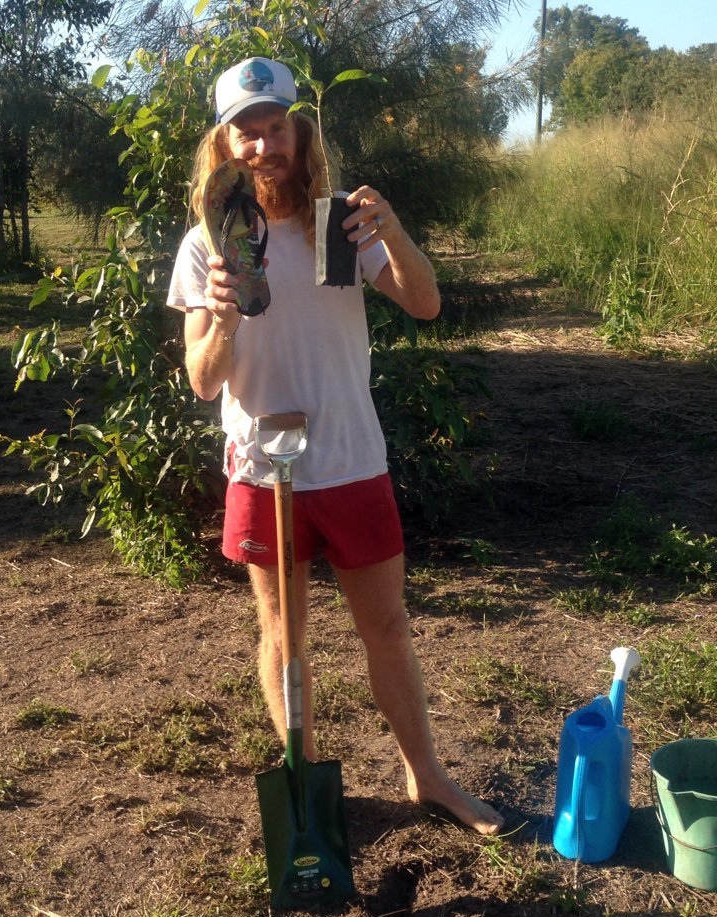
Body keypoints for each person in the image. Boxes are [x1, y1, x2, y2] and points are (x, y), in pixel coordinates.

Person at [167, 57, 504, 835]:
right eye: (245, 133)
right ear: (226, 144)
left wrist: (394, 231)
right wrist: (219, 314)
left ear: (298, 129)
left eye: (274, 128)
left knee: (386, 628)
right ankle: (306, 783)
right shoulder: (209, 244)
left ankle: (428, 780)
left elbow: (424, 305)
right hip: (263, 468)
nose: (262, 147)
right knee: (283, 637)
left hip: (352, 459)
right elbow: (202, 382)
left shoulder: (338, 226)